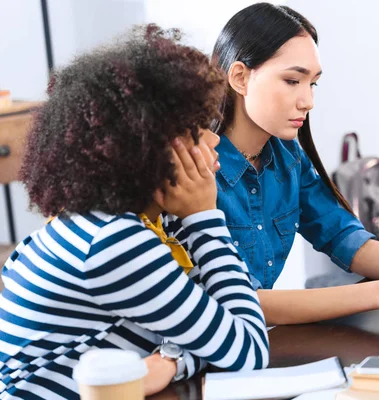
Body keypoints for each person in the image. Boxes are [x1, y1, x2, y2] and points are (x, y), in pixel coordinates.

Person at [164, 3, 379, 327]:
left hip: (255, 344)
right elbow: (242, 301)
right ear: (239, 77)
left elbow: (343, 237)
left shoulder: (289, 158)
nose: (307, 101)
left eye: (312, 83)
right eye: (292, 81)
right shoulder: (194, 170)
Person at [0, 25, 268, 399]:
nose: (214, 140)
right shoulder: (113, 242)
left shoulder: (119, 224)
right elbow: (249, 349)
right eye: (197, 130)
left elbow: (222, 323)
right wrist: (205, 218)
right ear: (147, 149)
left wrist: (171, 359)